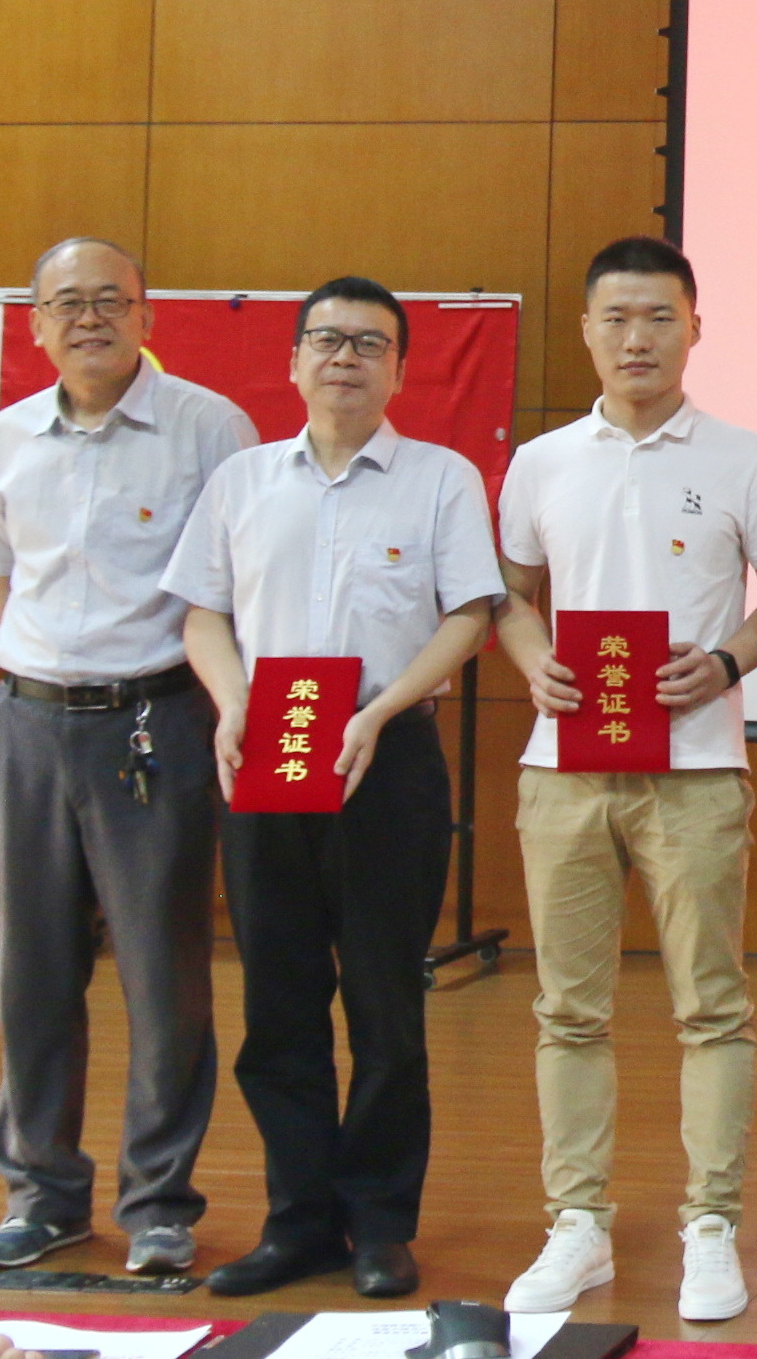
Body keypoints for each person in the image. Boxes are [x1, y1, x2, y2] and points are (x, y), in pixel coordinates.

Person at [168, 278, 502, 1300]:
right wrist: (231, 703)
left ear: (400, 368)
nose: (344, 357)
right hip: (266, 750)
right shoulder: (242, 481)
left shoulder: (440, 479)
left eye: (368, 342)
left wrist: (381, 708)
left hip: (384, 755)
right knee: (278, 1002)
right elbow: (202, 613)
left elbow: (470, 614)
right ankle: (297, 1220)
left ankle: (380, 1223)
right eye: (325, 339)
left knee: (385, 1004)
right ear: (293, 361)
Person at [494, 237, 757, 1324]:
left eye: (660, 317)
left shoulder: (747, 458)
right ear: (587, 330)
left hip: (698, 769)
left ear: (695, 327)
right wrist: (535, 661)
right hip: (564, 772)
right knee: (568, 1009)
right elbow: (510, 594)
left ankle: (710, 1224)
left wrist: (725, 662)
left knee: (711, 1008)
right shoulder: (542, 461)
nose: (637, 338)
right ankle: (576, 1223)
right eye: (617, 318)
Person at [0, 239, 255, 1278]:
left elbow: (237, 584)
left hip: (154, 723)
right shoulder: (4, 437)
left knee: (165, 976)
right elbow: (2, 582)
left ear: (145, 315)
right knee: (30, 971)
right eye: (66, 304)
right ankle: (42, 1195)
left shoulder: (209, 428)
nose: (89, 319)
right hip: (27, 724)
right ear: (37, 324)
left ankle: (159, 1202)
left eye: (109, 301)